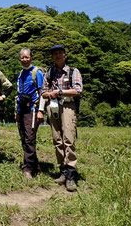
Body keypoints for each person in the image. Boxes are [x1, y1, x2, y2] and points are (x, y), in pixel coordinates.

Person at [41, 45, 83, 192]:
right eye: (55, 54)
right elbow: (43, 92)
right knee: (57, 139)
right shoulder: (49, 72)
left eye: (60, 53)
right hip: (52, 106)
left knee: (68, 138)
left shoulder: (73, 71)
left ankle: (71, 174)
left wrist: (59, 91)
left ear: (65, 55)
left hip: (68, 106)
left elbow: (77, 90)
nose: (58, 55)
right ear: (52, 57)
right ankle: (63, 170)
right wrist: (50, 94)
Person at [15, 48, 46, 178]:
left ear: (31, 58)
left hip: (32, 109)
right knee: (24, 138)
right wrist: (16, 111)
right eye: (22, 57)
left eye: (27, 57)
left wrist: (41, 110)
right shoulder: (21, 73)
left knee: (30, 138)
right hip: (22, 109)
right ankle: (35, 165)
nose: (24, 59)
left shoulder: (36, 73)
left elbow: (42, 92)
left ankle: (28, 168)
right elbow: (18, 94)